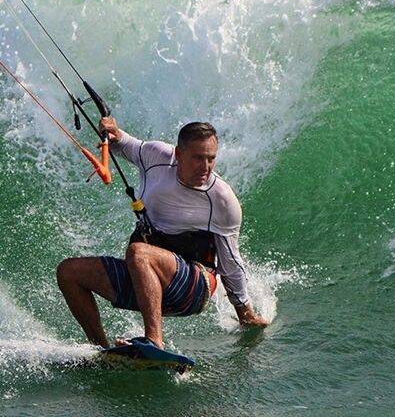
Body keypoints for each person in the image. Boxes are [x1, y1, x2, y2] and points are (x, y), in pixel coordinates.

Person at [56, 118, 268, 350]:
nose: (205, 167)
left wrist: (245, 313)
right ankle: (102, 350)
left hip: (194, 286)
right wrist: (114, 133)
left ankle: (154, 341)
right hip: (148, 283)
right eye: (198, 158)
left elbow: (231, 262)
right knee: (69, 272)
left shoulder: (222, 200)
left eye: (211, 158)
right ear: (178, 154)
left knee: (138, 253)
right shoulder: (157, 156)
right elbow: (127, 145)